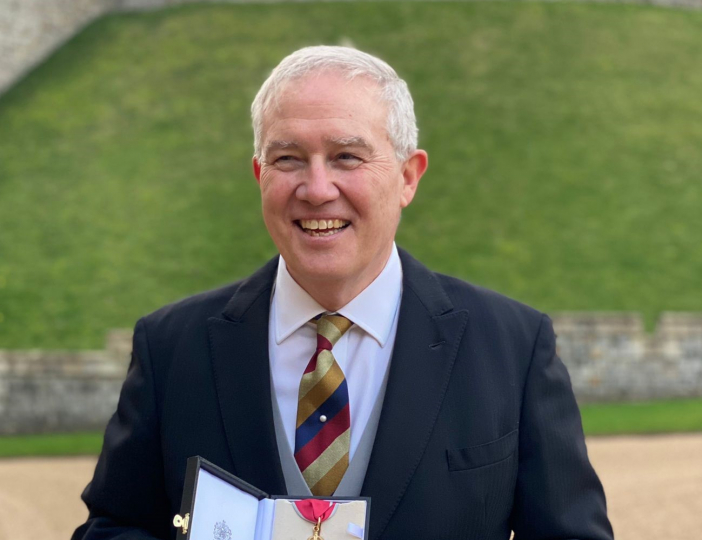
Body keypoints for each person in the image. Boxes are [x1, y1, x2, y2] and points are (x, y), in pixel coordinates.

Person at [73, 46, 613, 540]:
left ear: (408, 176)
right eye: (288, 159)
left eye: (347, 157)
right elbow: (115, 527)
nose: (316, 189)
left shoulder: (513, 349)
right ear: (260, 174)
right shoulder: (171, 349)